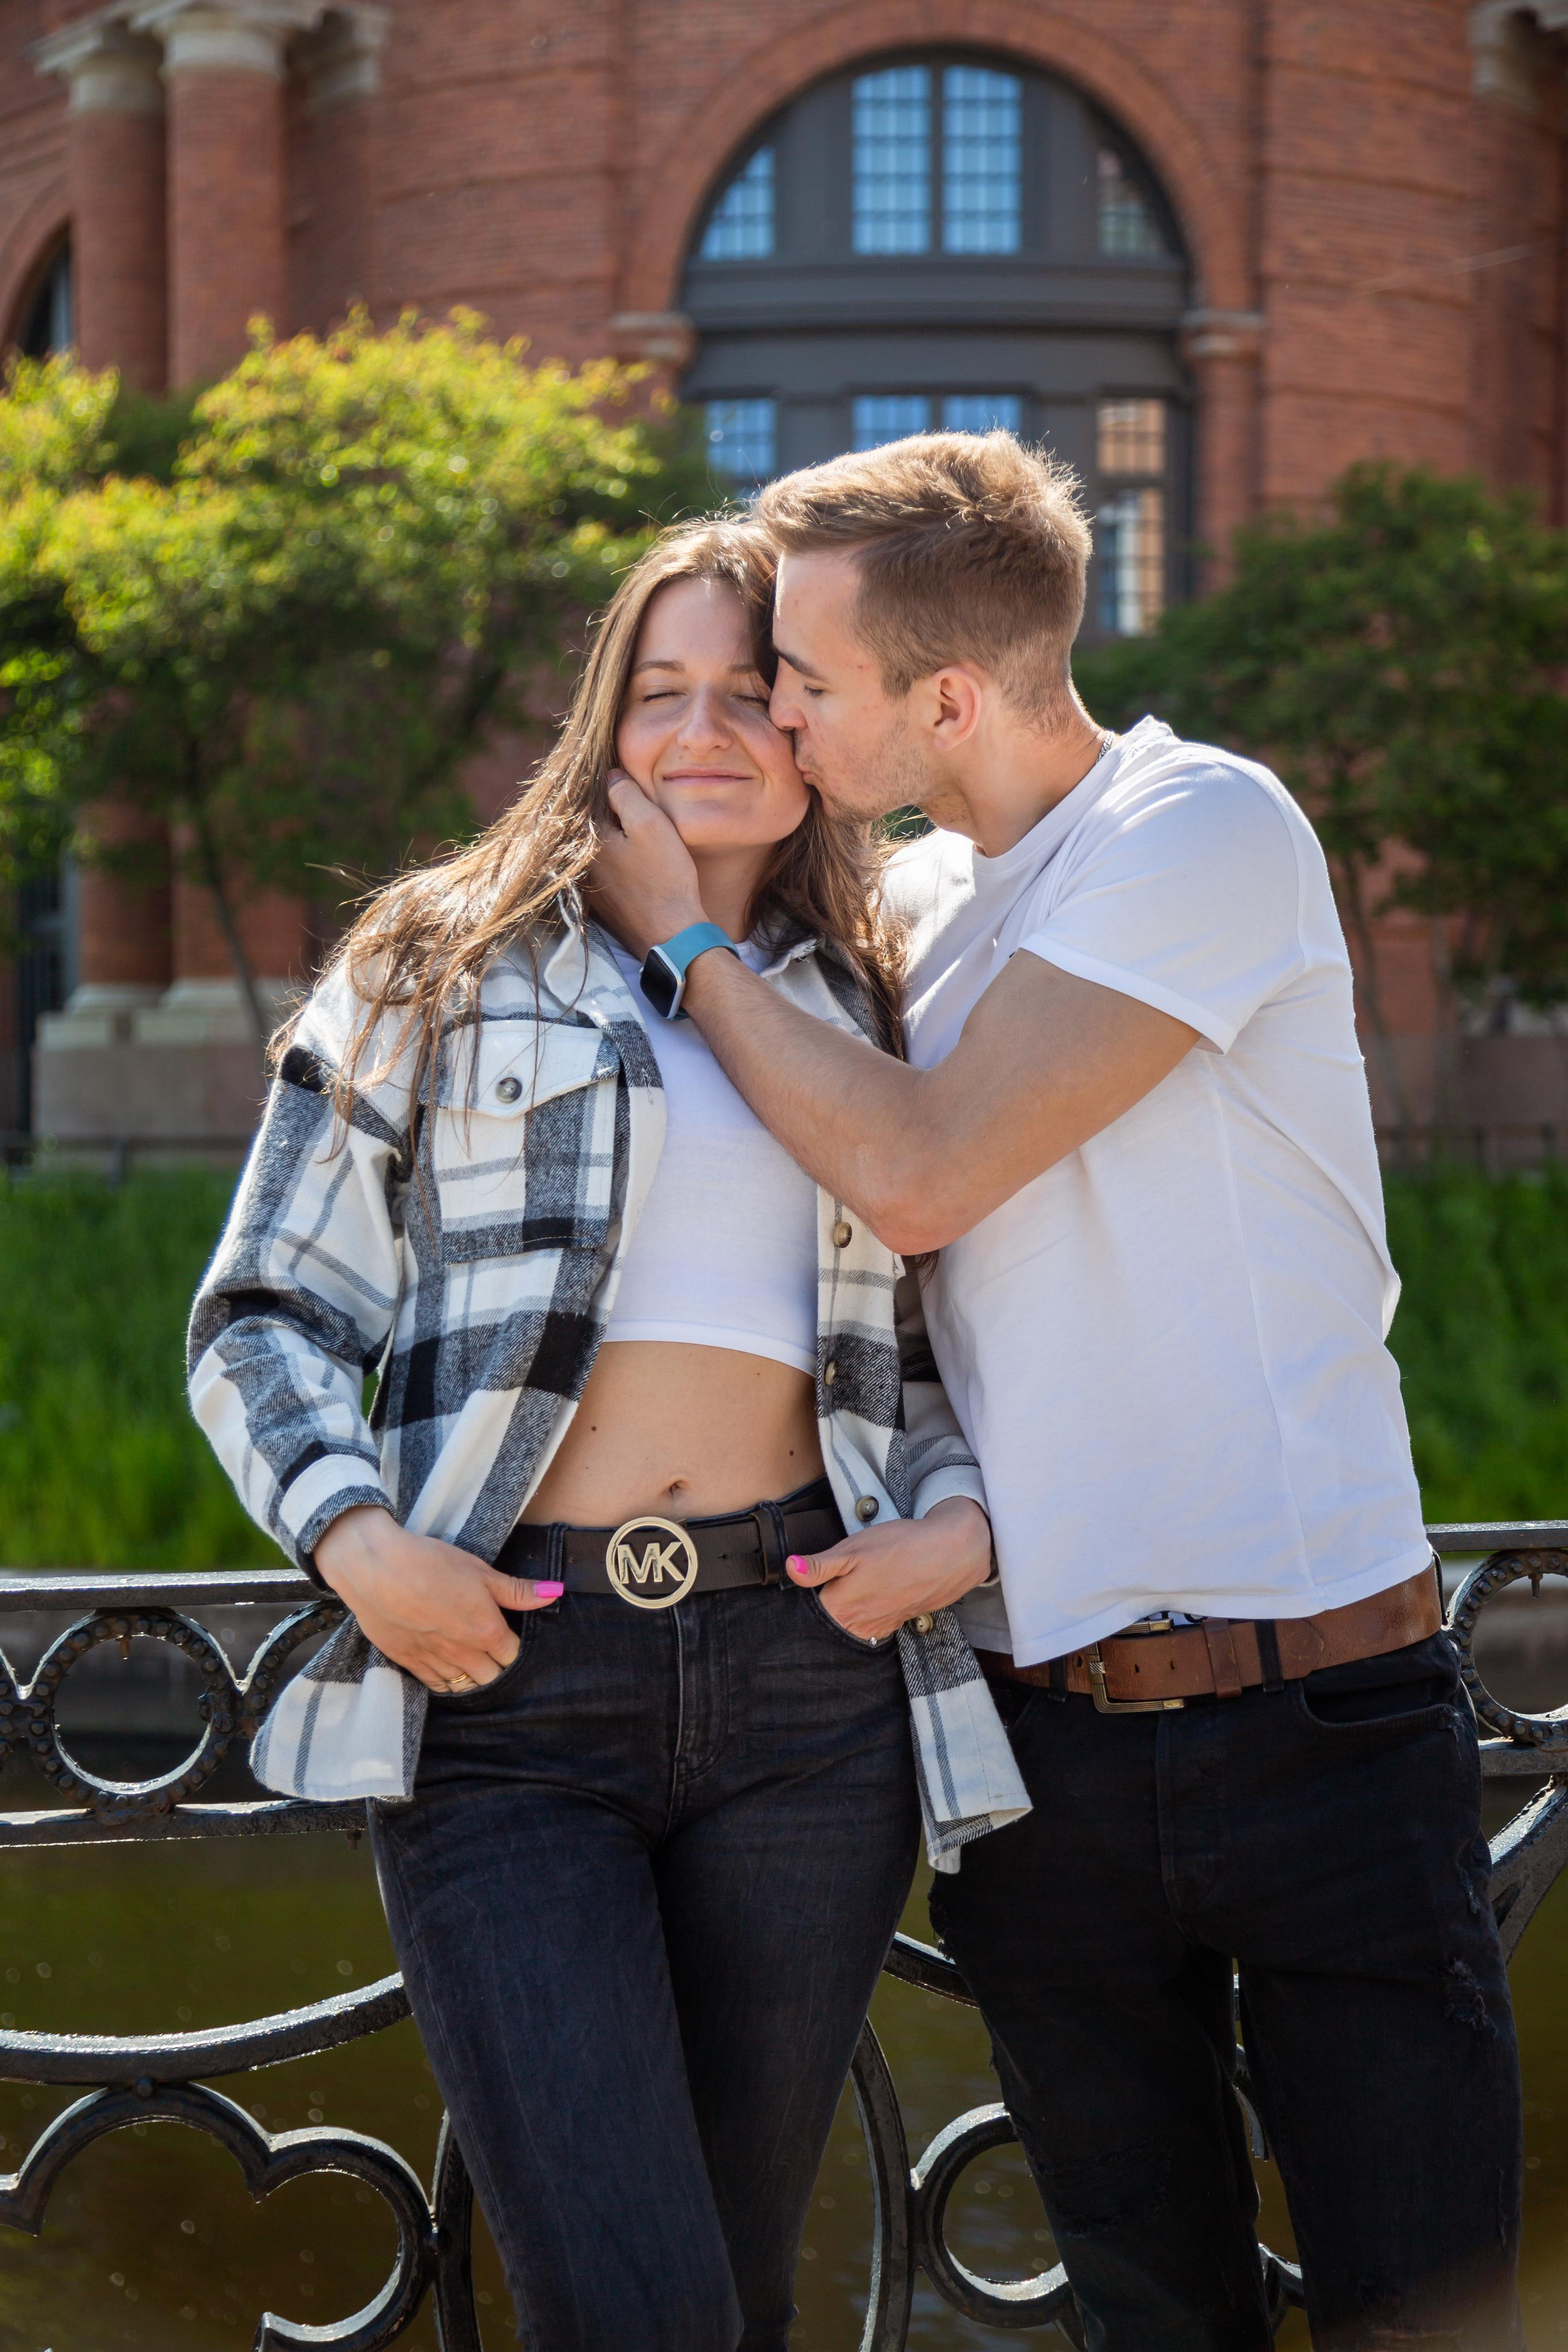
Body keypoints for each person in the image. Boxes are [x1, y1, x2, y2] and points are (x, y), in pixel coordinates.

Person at [591, 436, 1525, 2352]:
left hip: (1320, 1718)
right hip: (1033, 1753)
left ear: (948, 695)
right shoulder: (910, 914)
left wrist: (685, 938)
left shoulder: (1206, 828)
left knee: (1424, 2311)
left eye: (806, 680)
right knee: (1145, 2318)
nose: (776, 704)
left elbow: (920, 1170)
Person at [187, 518, 1025, 2352]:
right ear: (604, 721)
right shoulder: (438, 958)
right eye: (662, 694)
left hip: (812, 1694)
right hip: (509, 1691)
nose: (708, 728)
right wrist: (357, 1544)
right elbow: (262, 1314)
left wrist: (961, 1526)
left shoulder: (877, 996)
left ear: (814, 732)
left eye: (756, 690)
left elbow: (960, 1353)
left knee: (723, 2291)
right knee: (633, 2306)